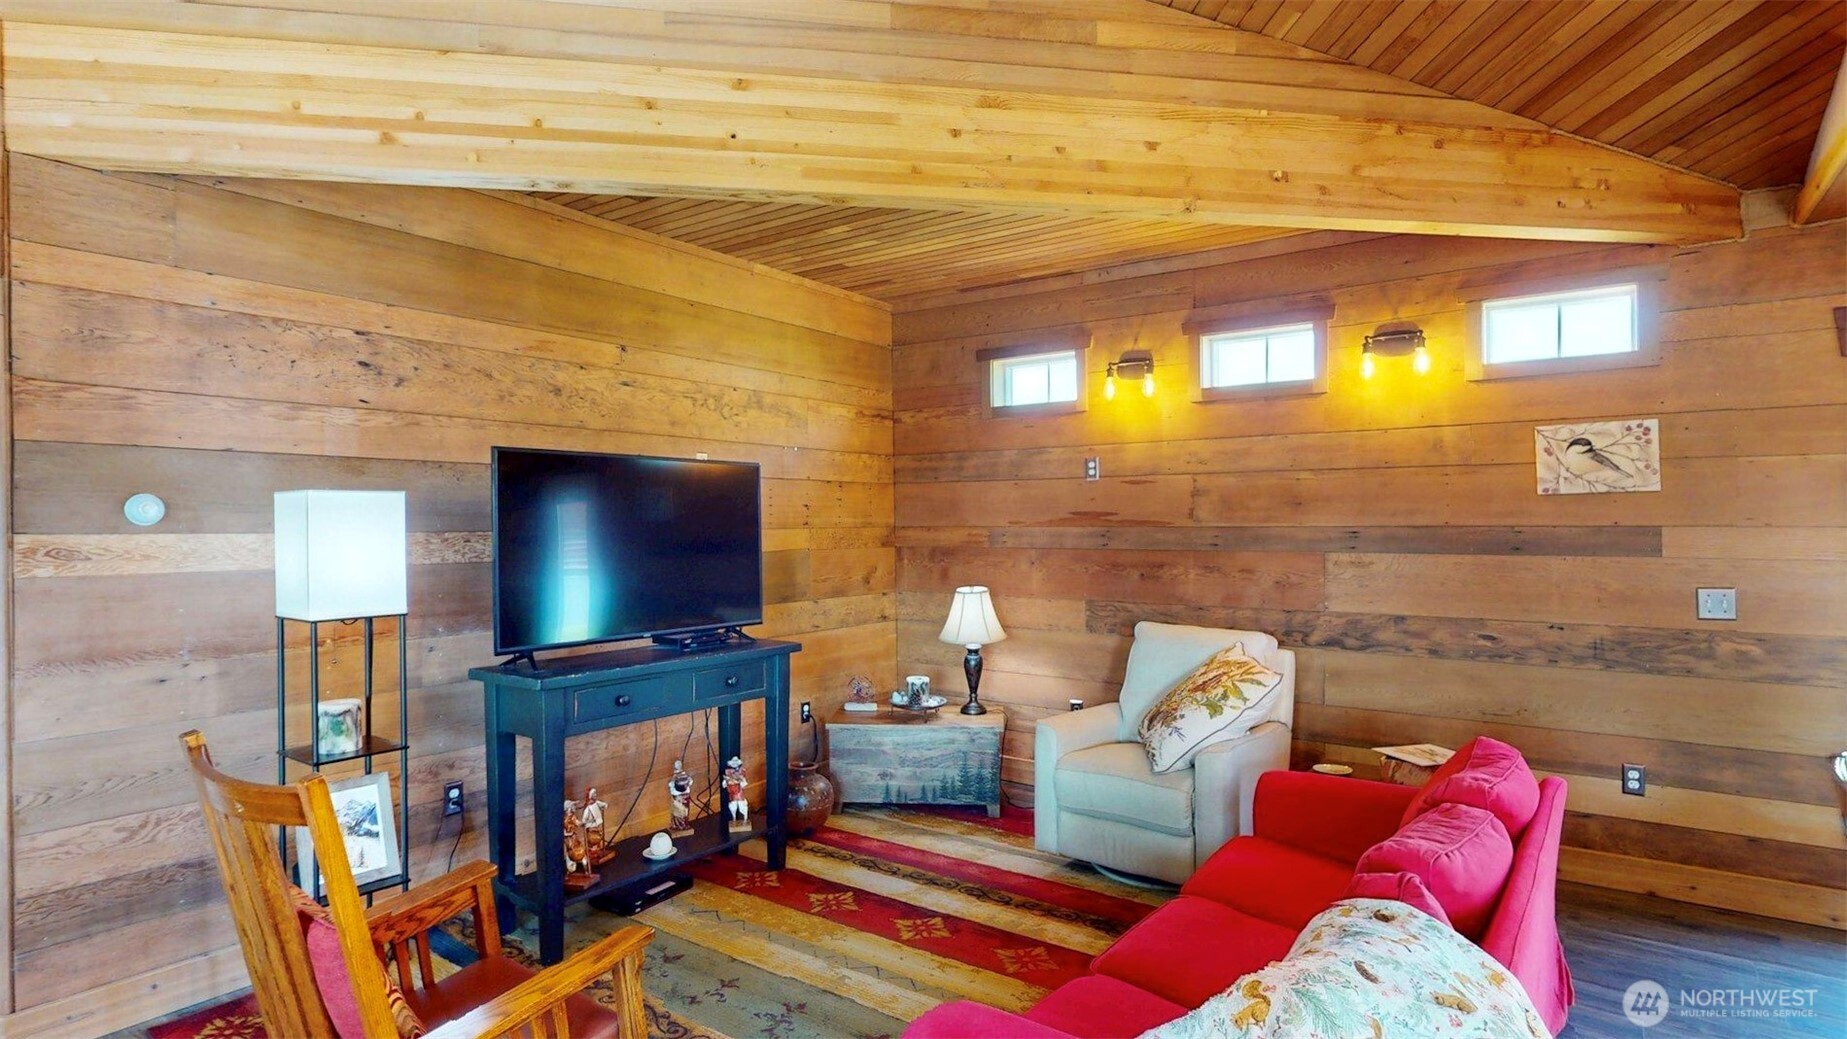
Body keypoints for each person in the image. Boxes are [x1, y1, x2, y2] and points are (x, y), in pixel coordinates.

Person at [668, 760, 694, 836]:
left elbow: (671, 784)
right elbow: (690, 781)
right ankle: (680, 825)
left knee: (680, 812)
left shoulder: (677, 777)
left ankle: (681, 825)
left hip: (680, 797)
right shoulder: (683, 775)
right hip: (682, 796)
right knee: (681, 812)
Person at [723, 755, 749, 830]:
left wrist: (740, 780)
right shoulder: (728, 772)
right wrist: (727, 781)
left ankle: (745, 819)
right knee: (732, 806)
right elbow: (725, 783)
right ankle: (734, 819)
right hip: (732, 793)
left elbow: (744, 783)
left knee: (742, 806)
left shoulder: (741, 772)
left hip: (739, 792)